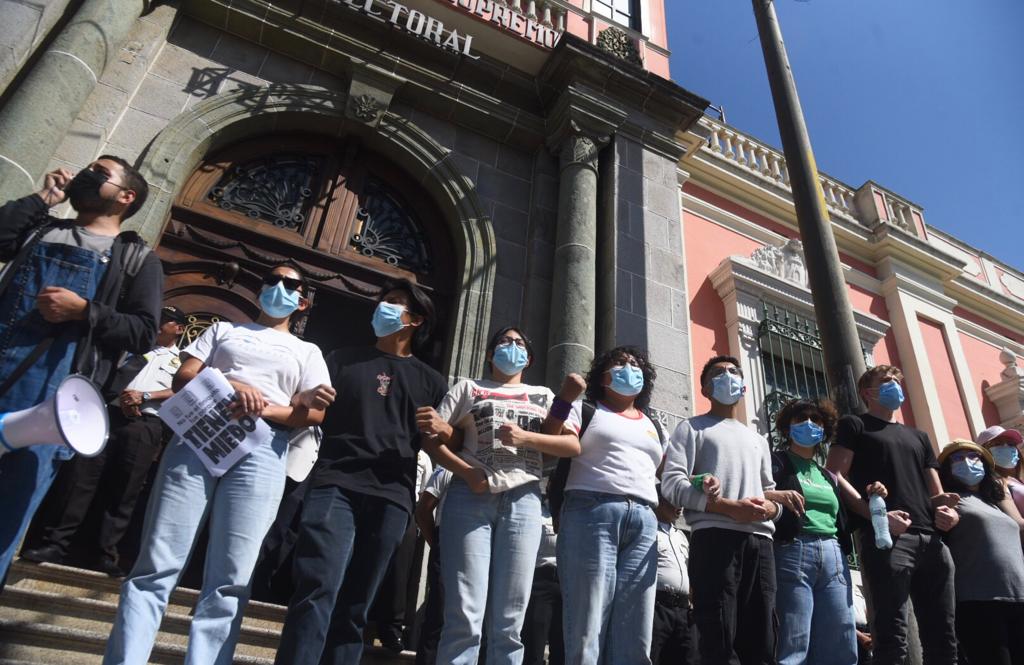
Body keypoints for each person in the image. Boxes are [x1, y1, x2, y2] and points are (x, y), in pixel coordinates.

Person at [104, 263, 334, 665]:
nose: (278, 287)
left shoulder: (308, 352)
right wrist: (233, 386)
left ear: (302, 301)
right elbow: (183, 376)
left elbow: (311, 414)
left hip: (263, 450)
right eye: (272, 279)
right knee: (157, 563)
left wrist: (266, 406)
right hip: (199, 436)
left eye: (289, 283)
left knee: (231, 577)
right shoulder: (225, 330)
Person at [0, 158, 162, 587]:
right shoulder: (41, 227)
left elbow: (144, 332)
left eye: (99, 172)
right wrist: (42, 199)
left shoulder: (136, 258)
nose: (86, 175)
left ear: (126, 197)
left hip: (50, 400)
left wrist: (85, 311)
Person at [274, 278, 448, 665]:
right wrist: (302, 398)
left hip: (392, 494)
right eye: (383, 301)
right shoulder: (340, 360)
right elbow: (305, 409)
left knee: (356, 604)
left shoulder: (432, 382)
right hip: (334, 483)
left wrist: (444, 429)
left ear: (416, 320)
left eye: (396, 303)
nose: (384, 308)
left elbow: (443, 444)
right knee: (317, 587)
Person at [416, 326, 580, 665]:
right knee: (464, 611)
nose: (512, 347)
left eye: (519, 343)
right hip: (469, 496)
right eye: (504, 342)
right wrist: (466, 472)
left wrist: (525, 439)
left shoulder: (544, 395)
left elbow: (569, 445)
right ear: (490, 354)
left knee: (510, 618)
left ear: (529, 358)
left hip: (524, 501)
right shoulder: (468, 388)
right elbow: (432, 440)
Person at [21, 305, 188, 576]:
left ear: (179, 329)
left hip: (143, 424)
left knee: (124, 489)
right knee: (79, 479)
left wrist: (145, 397)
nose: (159, 324)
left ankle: (104, 553)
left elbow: (186, 388)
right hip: (104, 413)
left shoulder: (181, 361)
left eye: (167, 321)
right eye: (158, 318)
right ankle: (55, 543)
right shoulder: (130, 346)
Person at [825, 365, 960, 665]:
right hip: (887, 542)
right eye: (886, 381)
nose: (895, 386)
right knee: (892, 635)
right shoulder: (855, 425)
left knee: (944, 637)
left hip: (933, 542)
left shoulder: (920, 436)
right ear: (867, 392)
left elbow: (935, 494)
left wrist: (949, 512)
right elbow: (833, 474)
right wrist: (876, 518)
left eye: (898, 381)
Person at [543, 345, 664, 665]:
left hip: (644, 520)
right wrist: (564, 399)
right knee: (588, 624)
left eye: (635, 363)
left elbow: (668, 473)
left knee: (635, 633)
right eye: (620, 363)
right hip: (591, 512)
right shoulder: (585, 409)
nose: (629, 368)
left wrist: (701, 481)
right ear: (603, 376)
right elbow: (549, 448)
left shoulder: (654, 425)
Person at [661, 355, 781, 665]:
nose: (727, 376)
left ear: (743, 387)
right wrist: (726, 507)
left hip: (762, 544)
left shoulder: (759, 440)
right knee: (718, 636)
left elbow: (768, 492)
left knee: (762, 639)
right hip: (714, 538)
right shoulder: (691, 428)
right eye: (718, 373)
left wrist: (772, 508)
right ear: (704, 388)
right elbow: (672, 485)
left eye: (733, 371)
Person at [768, 398, 898, 665]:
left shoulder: (829, 475)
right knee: (794, 641)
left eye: (815, 420)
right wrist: (774, 494)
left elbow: (855, 510)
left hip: (835, 556)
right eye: (800, 419)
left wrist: (875, 492)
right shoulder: (777, 461)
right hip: (793, 550)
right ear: (787, 427)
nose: (808, 424)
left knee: (841, 639)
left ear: (824, 430)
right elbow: (755, 491)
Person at [937, 439, 1024, 665]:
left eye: (974, 457)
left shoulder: (995, 503)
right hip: (979, 602)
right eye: (957, 459)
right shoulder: (951, 501)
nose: (967, 462)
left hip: (1018, 598)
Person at [371, 448, 434, 652]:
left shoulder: (424, 457)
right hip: (375, 498)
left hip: (407, 509)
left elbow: (425, 490)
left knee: (400, 571)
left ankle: (392, 626)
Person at [649, 495, 695, 665]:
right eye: (673, 500)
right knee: (652, 656)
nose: (680, 505)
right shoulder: (647, 530)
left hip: (683, 610)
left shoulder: (681, 536)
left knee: (686, 658)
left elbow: (688, 569)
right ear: (659, 501)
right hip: (658, 606)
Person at [415, 464, 453, 665]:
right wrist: (437, 544)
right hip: (445, 541)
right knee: (438, 615)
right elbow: (423, 511)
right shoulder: (447, 468)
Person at [521, 494, 562, 665]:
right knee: (534, 646)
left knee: (562, 649)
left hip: (566, 582)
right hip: (540, 581)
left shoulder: (574, 514)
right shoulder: (537, 510)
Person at [975, 425, 1024, 514]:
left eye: (1011, 444)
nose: (1006, 447)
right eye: (997, 444)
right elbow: (1018, 523)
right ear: (983, 452)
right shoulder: (996, 483)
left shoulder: (1015, 479)